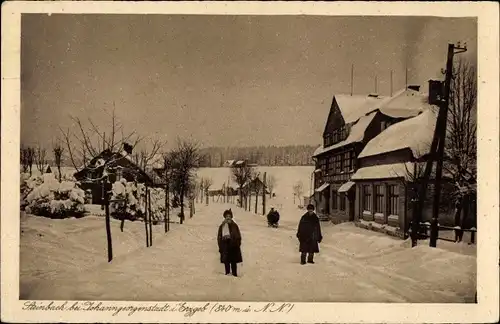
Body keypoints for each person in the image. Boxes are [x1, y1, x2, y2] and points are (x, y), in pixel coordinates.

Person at [217, 209, 242, 277]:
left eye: (229, 216)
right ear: (225, 217)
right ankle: (227, 274)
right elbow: (219, 237)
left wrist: (237, 243)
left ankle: (234, 274)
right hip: (225, 246)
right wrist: (220, 246)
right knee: (226, 262)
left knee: (233, 262)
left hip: (234, 246)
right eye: (226, 216)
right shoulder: (222, 226)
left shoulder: (234, 225)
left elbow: (238, 235)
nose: (228, 217)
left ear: (231, 217)